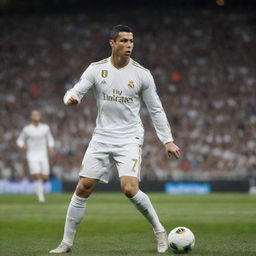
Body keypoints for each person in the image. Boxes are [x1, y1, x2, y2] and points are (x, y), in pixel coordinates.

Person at [50, 24, 180, 254]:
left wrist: (167, 140)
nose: (129, 45)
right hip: (101, 136)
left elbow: (156, 109)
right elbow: (75, 91)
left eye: (131, 41)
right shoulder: (95, 69)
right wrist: (70, 99)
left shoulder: (142, 74)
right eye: (124, 41)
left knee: (129, 188)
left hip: (129, 137)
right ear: (112, 43)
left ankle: (159, 231)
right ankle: (66, 243)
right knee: (83, 187)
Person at [17, 110, 55, 203]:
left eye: (37, 114)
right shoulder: (27, 129)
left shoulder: (45, 128)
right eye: (34, 115)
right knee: (37, 175)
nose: (36, 116)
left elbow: (50, 139)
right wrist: (23, 145)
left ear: (40, 116)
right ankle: (41, 197)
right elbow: (19, 140)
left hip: (43, 155)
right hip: (32, 155)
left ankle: (39, 188)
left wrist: (50, 146)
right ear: (31, 117)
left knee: (45, 177)